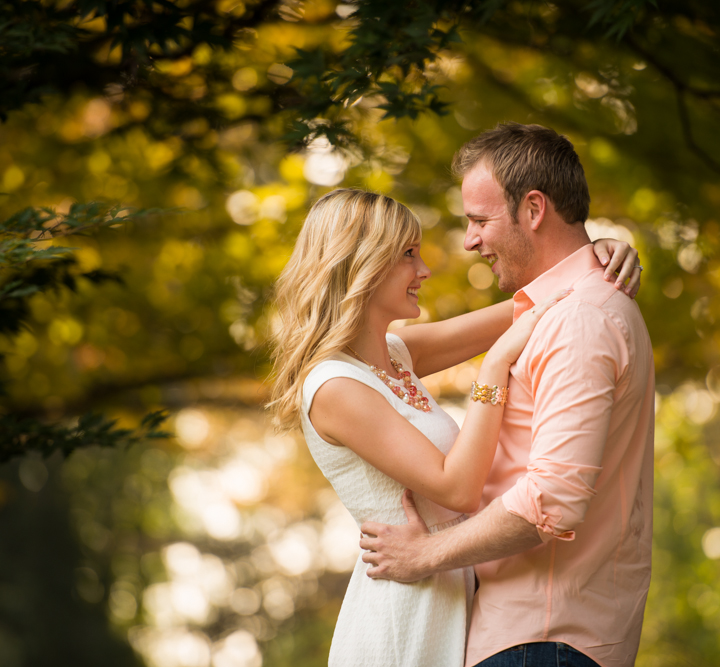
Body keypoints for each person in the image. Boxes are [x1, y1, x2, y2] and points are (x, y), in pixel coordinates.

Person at [268, 187, 642, 667]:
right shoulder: (334, 386)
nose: (423, 270)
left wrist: (592, 260)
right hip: (405, 615)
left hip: (455, 594)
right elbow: (458, 488)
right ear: (360, 264)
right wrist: (492, 370)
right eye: (407, 256)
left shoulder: (397, 355)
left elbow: (535, 306)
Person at [359, 123, 656, 667]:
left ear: (534, 208)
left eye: (479, 220)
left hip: (542, 639)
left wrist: (425, 555)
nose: (469, 240)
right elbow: (402, 348)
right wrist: (589, 258)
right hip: (536, 635)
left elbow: (552, 500)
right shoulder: (568, 308)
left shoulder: (581, 320)